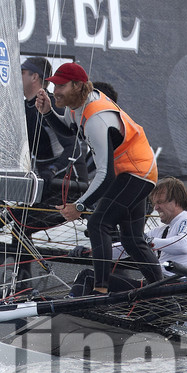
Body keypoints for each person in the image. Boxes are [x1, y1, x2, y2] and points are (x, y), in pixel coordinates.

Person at [48, 62, 164, 290]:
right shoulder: (77, 105)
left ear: (77, 86)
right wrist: (47, 113)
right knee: (132, 240)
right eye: (54, 85)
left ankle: (100, 290)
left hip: (137, 172)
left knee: (98, 223)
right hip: (131, 172)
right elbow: (68, 130)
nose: (55, 91)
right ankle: (160, 290)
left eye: (60, 86)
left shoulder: (97, 120)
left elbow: (106, 175)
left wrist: (79, 206)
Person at [22, 55, 78, 179]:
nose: (17, 76)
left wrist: (53, 170)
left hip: (65, 179)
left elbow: (73, 147)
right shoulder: (24, 108)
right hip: (42, 176)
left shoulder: (53, 105)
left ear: (34, 77)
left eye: (22, 72)